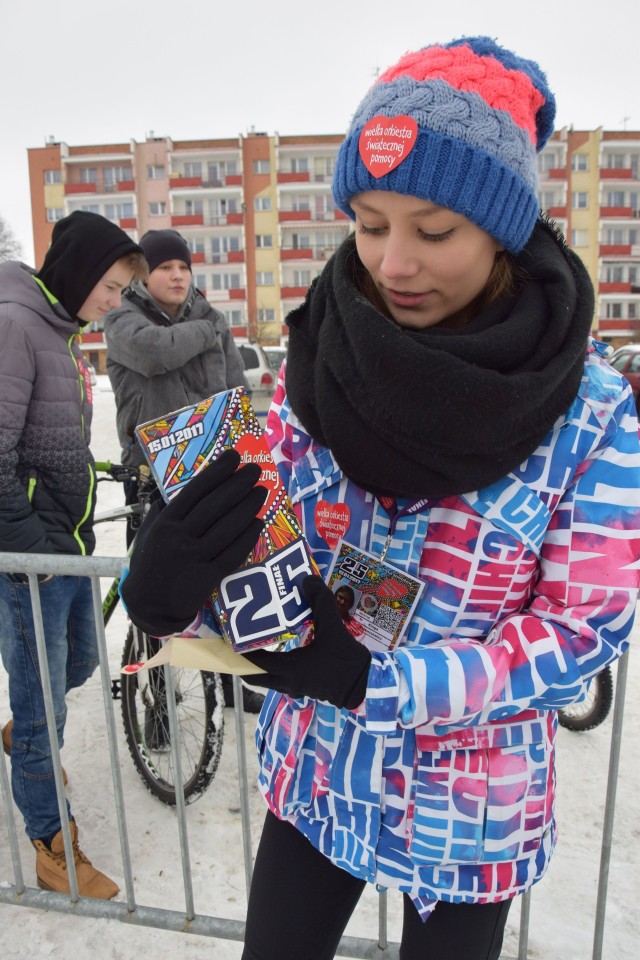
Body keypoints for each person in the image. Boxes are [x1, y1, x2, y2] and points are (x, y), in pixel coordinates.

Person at [119, 36, 640, 960]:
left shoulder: (588, 407)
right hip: (319, 773)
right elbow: (261, 540)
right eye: (367, 222)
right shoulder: (321, 355)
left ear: (502, 230)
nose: (393, 264)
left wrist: (380, 682)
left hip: (469, 809)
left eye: (433, 231)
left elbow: (581, 630)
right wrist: (171, 592)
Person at [0, 210, 147, 898]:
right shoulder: (15, 325)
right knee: (41, 713)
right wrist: (35, 549)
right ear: (81, 271)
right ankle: (50, 844)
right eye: (112, 287)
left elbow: (47, 438)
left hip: (67, 544)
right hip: (35, 557)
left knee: (82, 661)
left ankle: (26, 731)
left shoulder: (56, 330)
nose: (115, 302)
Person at [103, 228, 262, 713]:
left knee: (225, 581)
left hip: (209, 472)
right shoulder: (121, 319)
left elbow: (236, 392)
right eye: (164, 267)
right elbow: (154, 353)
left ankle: (232, 680)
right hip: (152, 475)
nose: (176, 275)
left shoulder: (213, 319)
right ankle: (153, 699)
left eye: (183, 267)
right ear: (144, 274)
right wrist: (206, 332)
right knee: (157, 588)